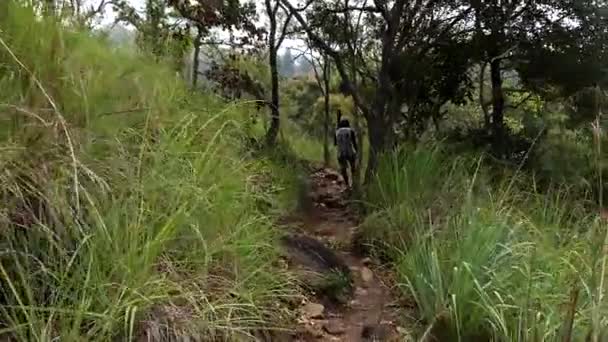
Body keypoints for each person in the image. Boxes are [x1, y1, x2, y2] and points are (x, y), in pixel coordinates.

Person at [334, 117, 358, 188]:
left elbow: (335, 143)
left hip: (341, 152)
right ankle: (353, 183)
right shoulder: (351, 130)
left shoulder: (337, 132)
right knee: (353, 167)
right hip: (350, 151)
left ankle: (347, 184)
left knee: (343, 168)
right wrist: (357, 151)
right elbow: (354, 142)